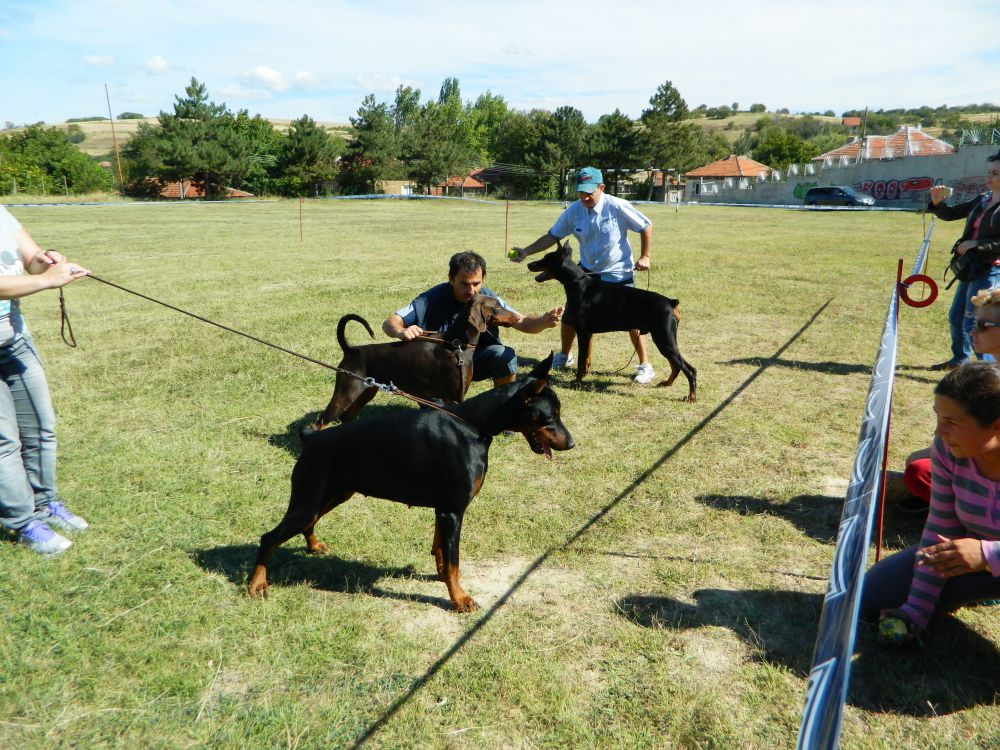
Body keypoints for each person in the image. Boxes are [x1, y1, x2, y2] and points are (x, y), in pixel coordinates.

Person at [862, 362, 1000, 646]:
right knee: (872, 595)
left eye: (951, 422)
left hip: (984, 556)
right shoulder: (948, 451)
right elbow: (939, 531)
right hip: (978, 562)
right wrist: (916, 610)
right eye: (938, 417)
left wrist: (988, 555)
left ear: (996, 426)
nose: (938, 432)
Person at [509, 167, 657, 384]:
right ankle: (565, 356)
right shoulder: (574, 211)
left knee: (633, 318)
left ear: (601, 188)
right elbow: (552, 236)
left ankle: (645, 365)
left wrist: (645, 256)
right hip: (587, 273)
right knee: (570, 315)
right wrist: (526, 251)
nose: (585, 197)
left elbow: (646, 226)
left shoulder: (617, 206)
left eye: (590, 192)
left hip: (617, 272)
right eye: (581, 192)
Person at [0, 205, 91, 555]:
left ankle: (45, 503)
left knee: (40, 424)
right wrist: (47, 280)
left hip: (13, 337)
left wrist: (48, 260)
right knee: (4, 440)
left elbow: (32, 260)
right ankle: (23, 522)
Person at [383, 251, 563, 386]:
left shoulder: (488, 299)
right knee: (442, 416)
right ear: (451, 279)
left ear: (483, 279)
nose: (471, 291)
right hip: (438, 364)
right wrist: (402, 330)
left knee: (503, 354)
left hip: (475, 358)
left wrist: (543, 322)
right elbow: (390, 322)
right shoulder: (430, 299)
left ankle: (505, 409)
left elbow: (522, 322)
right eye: (464, 284)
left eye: (476, 284)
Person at [896, 287, 1000, 509]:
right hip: (978, 461)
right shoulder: (987, 372)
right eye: (974, 324)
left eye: (983, 326)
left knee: (921, 471)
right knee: (920, 469)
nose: (972, 332)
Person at [927, 150, 1000, 370]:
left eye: (995, 172)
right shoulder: (983, 199)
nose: (990, 176)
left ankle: (987, 370)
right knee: (956, 316)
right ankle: (959, 359)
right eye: (988, 171)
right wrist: (937, 203)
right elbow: (951, 214)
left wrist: (977, 244)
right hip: (970, 266)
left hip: (989, 267)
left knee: (973, 320)